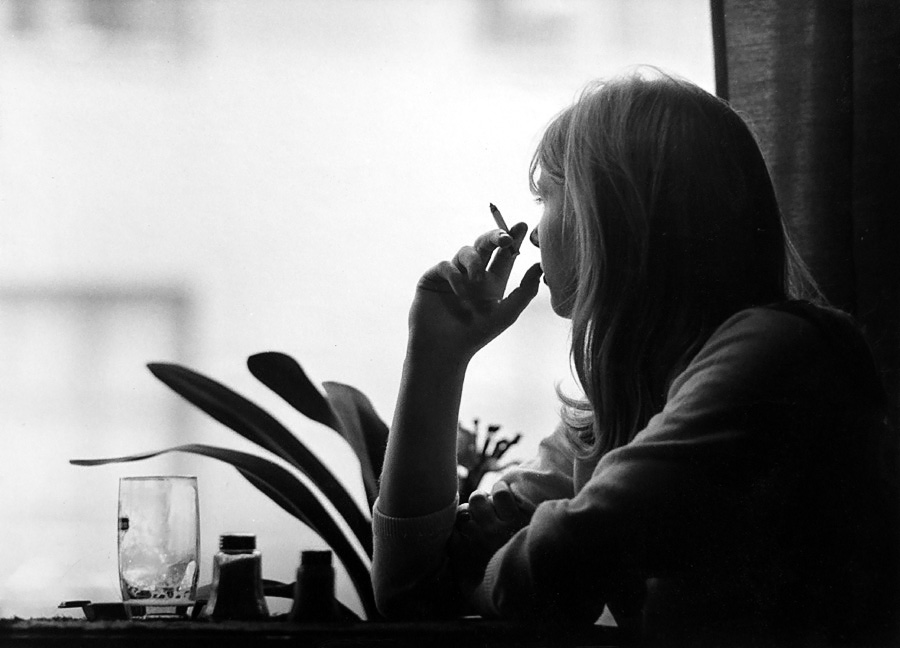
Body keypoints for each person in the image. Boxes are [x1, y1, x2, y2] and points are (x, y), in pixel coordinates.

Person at [372, 69, 899, 645]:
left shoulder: (780, 353)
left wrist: (515, 549)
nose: (536, 237)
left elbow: (555, 564)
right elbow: (412, 591)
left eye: (547, 195)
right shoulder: (610, 419)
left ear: (612, 213)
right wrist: (437, 354)